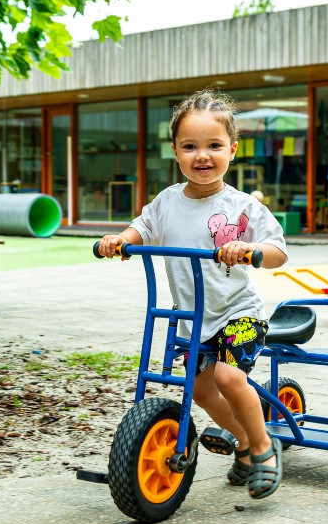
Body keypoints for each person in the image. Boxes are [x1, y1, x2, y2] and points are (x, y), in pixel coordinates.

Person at [97, 90, 289, 500]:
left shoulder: (243, 207)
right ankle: (241, 440)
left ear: (232, 150)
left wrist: (252, 251)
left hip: (239, 313)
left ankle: (263, 448)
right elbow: (142, 227)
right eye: (191, 147)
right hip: (194, 317)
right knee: (200, 390)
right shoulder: (167, 201)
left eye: (214, 146)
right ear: (176, 152)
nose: (203, 156)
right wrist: (120, 240)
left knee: (227, 376)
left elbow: (278, 252)